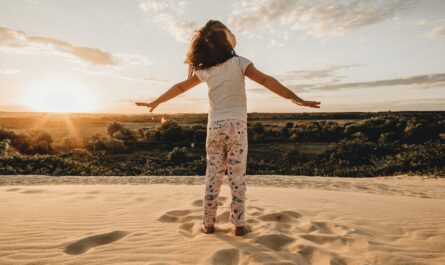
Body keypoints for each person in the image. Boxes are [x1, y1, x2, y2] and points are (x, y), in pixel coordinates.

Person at [135, 20, 320, 236]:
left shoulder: (206, 70)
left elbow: (180, 86)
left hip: (215, 128)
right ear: (225, 39)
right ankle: (239, 225)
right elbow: (266, 80)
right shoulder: (240, 63)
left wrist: (156, 101)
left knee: (212, 177)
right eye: (229, 32)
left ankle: (208, 224)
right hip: (237, 128)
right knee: (237, 177)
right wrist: (294, 98)